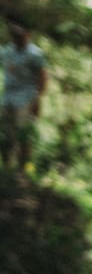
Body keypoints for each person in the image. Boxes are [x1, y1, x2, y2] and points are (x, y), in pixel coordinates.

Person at [2, 24, 48, 173]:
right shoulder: (7, 51)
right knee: (5, 132)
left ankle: (22, 170)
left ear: (27, 35)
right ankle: (7, 167)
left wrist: (37, 100)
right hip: (7, 97)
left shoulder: (35, 54)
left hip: (27, 98)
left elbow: (43, 78)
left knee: (24, 133)